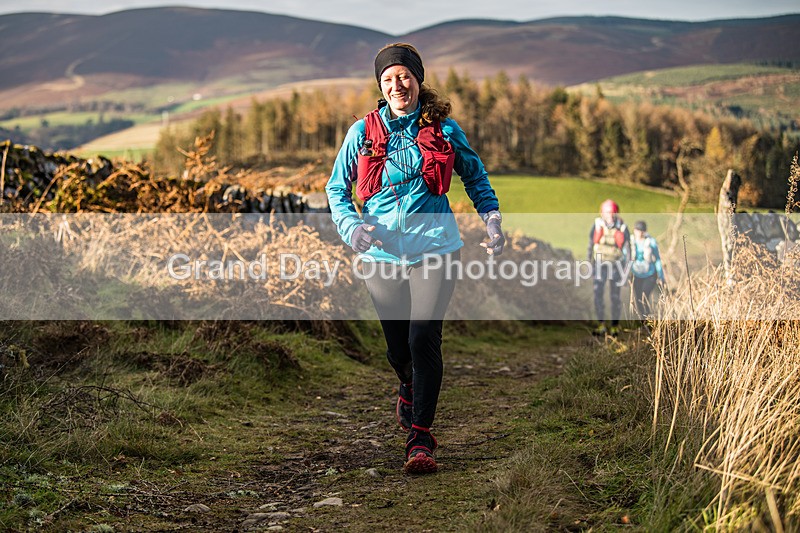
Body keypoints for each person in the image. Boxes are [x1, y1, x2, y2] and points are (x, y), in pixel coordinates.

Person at [325, 43, 504, 475]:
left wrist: (493, 221)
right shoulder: (362, 134)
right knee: (397, 347)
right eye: (387, 79)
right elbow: (336, 190)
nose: (396, 84)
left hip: (436, 248)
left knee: (424, 338)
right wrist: (352, 228)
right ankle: (407, 384)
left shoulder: (444, 129)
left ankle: (420, 437)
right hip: (381, 253)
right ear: (380, 87)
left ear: (418, 80)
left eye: (403, 75)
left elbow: (475, 176)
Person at [588, 199, 630, 337]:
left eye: (612, 212)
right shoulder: (596, 225)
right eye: (607, 212)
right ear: (602, 213)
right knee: (598, 294)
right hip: (600, 265)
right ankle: (601, 324)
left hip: (616, 266)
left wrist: (626, 270)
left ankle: (614, 326)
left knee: (615, 297)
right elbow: (590, 246)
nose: (610, 215)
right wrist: (590, 264)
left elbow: (628, 251)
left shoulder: (623, 228)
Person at [630, 220, 664, 318]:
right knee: (638, 299)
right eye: (637, 230)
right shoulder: (631, 242)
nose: (639, 233)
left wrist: (661, 276)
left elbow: (657, 259)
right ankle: (643, 320)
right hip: (636, 274)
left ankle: (649, 319)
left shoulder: (651, 242)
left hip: (650, 274)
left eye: (641, 230)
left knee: (644, 296)